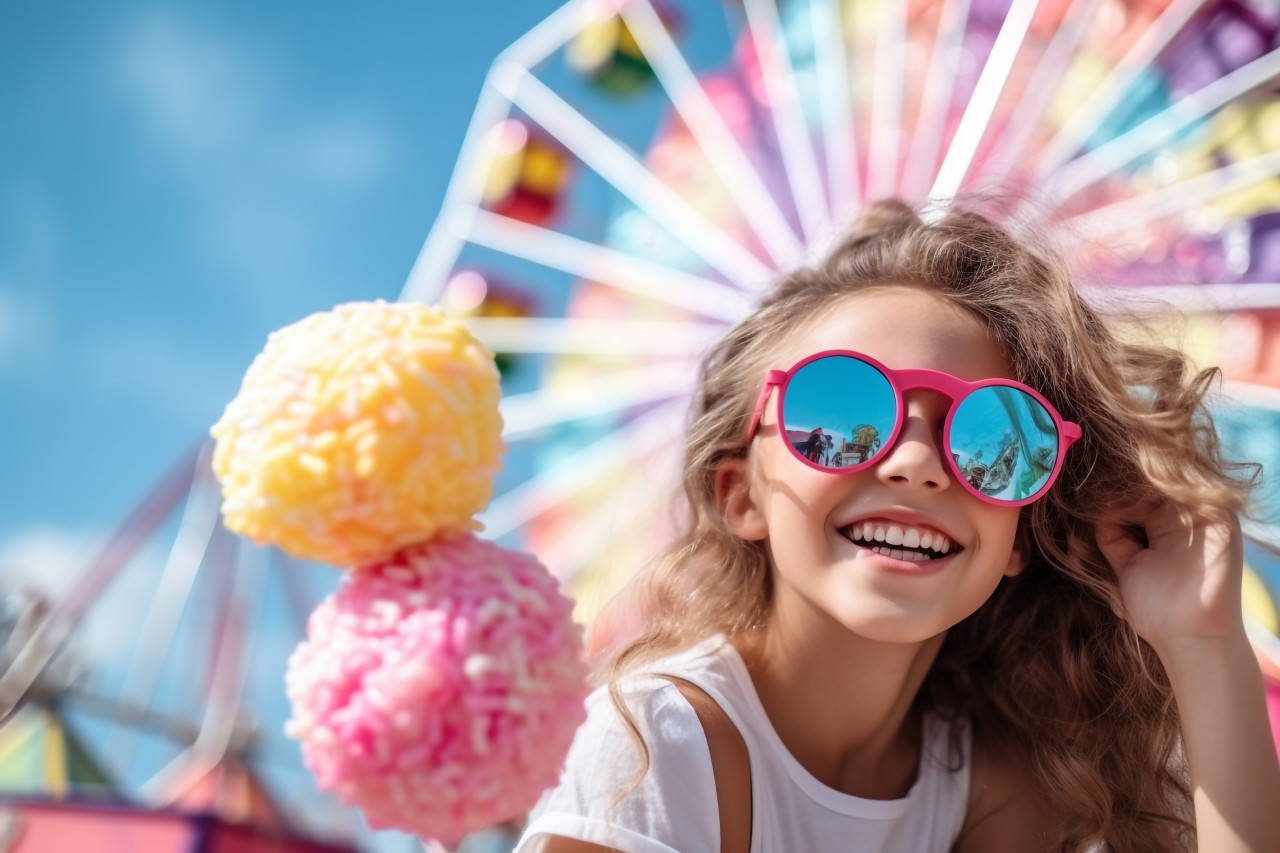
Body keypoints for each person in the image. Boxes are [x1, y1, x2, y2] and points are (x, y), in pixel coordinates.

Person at [514, 199, 1280, 852]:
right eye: (840, 410)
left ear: (1021, 535)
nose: (917, 460)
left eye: (994, 436)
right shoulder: (655, 745)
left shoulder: (986, 785)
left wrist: (1203, 641)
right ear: (740, 494)